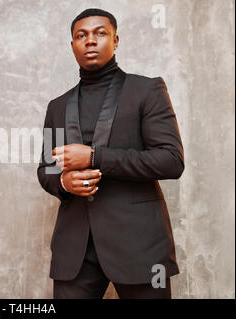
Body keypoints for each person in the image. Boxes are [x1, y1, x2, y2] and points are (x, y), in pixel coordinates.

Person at [37, 8, 184, 299]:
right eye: (81, 35)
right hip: (74, 255)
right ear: (73, 46)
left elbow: (171, 160)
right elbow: (47, 169)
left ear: (116, 41)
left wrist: (94, 157)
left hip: (141, 249)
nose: (90, 40)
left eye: (100, 33)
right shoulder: (57, 106)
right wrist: (64, 183)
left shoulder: (147, 90)